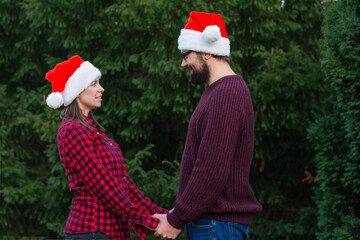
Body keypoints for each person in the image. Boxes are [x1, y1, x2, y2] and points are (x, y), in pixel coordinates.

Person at [153, 12, 262, 239]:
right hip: (213, 224)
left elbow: (211, 170)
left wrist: (176, 219)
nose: (183, 64)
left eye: (185, 55)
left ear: (207, 51)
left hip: (217, 225)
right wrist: (182, 211)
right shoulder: (220, 92)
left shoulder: (227, 94)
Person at [45, 55, 167, 240]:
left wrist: (163, 214)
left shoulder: (94, 132)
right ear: (77, 91)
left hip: (110, 233)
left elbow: (123, 183)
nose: (101, 89)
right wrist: (148, 221)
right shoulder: (72, 130)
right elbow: (102, 185)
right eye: (94, 84)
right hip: (91, 231)